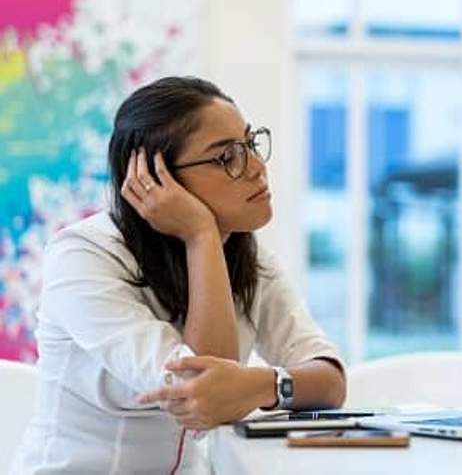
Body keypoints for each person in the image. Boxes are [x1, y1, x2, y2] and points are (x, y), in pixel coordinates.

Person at [12, 76, 346, 474]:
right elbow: (199, 388)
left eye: (250, 144)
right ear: (154, 178)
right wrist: (200, 233)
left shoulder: (247, 257)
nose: (257, 168)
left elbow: (329, 379)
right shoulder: (83, 257)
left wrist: (259, 385)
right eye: (227, 157)